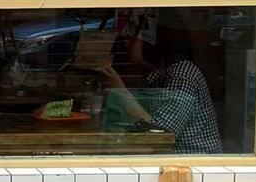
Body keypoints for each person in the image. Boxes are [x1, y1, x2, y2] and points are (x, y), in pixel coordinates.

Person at [93, 14, 222, 154]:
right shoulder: (160, 73)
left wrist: (120, 90)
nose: (126, 44)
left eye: (133, 38)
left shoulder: (182, 75)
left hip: (190, 160)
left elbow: (160, 135)